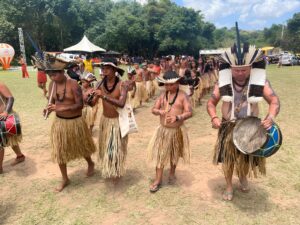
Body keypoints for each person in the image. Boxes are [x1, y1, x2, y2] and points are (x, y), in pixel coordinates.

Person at [207, 38, 280, 201]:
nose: (240, 73)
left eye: (244, 70)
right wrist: (214, 117)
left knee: (245, 158)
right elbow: (211, 103)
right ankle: (228, 186)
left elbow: (274, 101)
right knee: (228, 159)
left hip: (250, 127)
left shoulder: (260, 82)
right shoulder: (222, 82)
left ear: (251, 67)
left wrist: (271, 116)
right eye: (236, 70)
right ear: (231, 68)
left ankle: (242, 177)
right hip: (228, 126)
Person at [43, 53, 96, 192]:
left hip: (75, 122)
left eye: (54, 74)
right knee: (59, 151)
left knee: (83, 146)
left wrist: (59, 107)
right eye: (50, 74)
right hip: (60, 123)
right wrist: (48, 109)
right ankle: (65, 178)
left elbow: (79, 105)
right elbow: (52, 102)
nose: (52, 77)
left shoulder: (73, 84)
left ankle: (90, 163)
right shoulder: (51, 85)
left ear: (62, 72)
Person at [148, 71, 192, 193]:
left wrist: (177, 117)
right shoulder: (162, 95)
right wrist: (159, 112)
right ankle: (158, 180)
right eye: (166, 85)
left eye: (172, 84)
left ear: (178, 83)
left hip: (177, 131)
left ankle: (172, 173)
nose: (169, 87)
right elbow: (153, 109)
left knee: (174, 153)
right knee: (160, 155)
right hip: (164, 131)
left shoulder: (183, 96)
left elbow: (189, 112)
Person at [90, 58, 129, 179]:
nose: (104, 70)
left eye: (107, 68)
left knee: (115, 148)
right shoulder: (99, 84)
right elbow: (92, 103)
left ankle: (116, 171)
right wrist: (89, 97)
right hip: (105, 121)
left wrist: (104, 96)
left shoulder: (122, 84)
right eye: (103, 68)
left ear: (114, 70)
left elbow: (121, 103)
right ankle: (110, 169)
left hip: (117, 122)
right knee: (107, 148)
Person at [0, 82, 25, 173]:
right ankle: (20, 156)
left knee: (3, 142)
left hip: (4, 116)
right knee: (11, 139)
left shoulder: (0, 85)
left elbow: (10, 98)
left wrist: (6, 111)